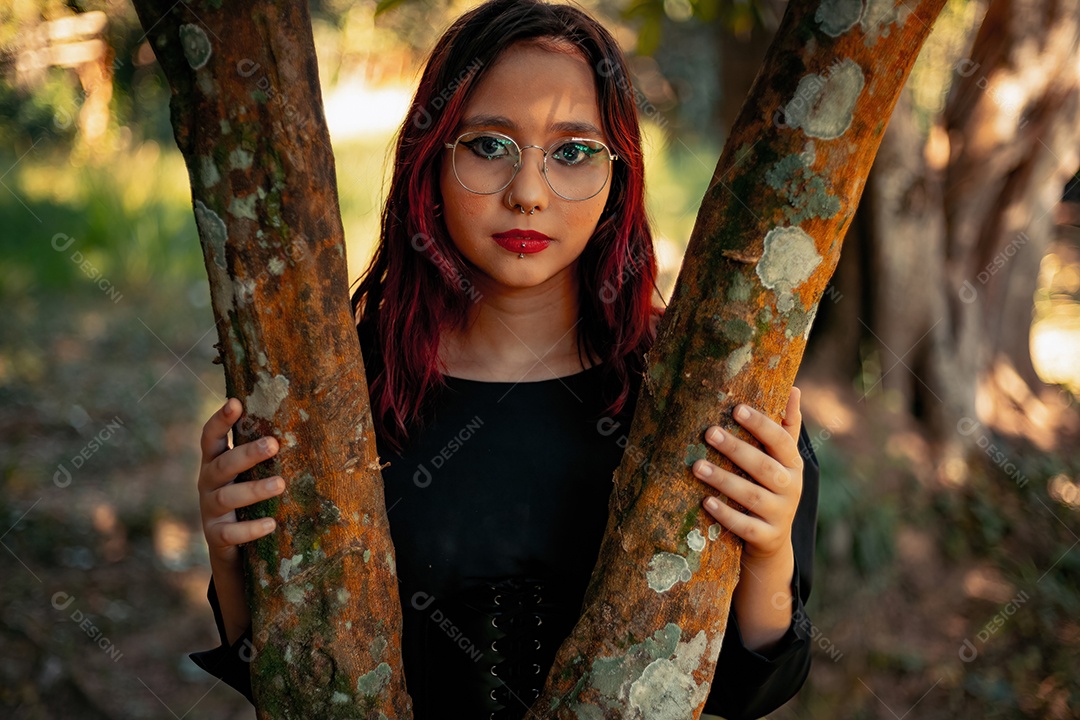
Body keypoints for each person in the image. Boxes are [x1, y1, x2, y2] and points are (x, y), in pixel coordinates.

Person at [189, 0, 820, 717]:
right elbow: (274, 672)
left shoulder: (697, 394)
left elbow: (754, 685)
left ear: (620, 177)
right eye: (489, 145)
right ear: (431, 160)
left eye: (573, 152)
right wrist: (229, 549)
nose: (527, 193)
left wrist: (769, 550)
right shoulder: (336, 387)